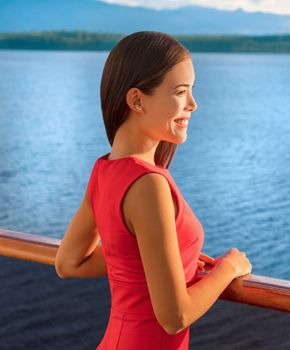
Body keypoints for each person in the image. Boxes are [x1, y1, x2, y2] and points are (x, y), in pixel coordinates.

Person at [54, 31, 252, 349]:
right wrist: (228, 267)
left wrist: (159, 255)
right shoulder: (148, 185)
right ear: (136, 100)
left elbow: (69, 263)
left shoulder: (105, 170)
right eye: (180, 92)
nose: (193, 104)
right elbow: (174, 317)